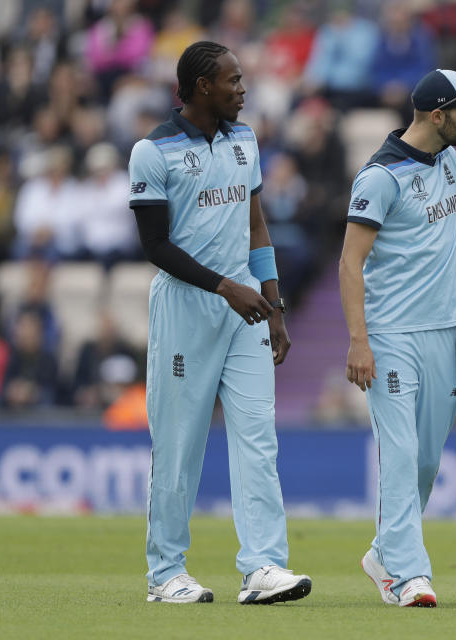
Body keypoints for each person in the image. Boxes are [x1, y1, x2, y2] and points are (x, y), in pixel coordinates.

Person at [128, 41, 311, 605]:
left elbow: (257, 226)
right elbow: (155, 246)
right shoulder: (151, 152)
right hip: (189, 307)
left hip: (247, 309)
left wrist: (274, 304)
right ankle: (165, 573)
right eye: (233, 80)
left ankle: (262, 567)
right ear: (202, 87)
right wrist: (223, 286)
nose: (243, 88)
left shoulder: (245, 140)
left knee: (258, 436)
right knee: (180, 444)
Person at [339, 69, 456, 607]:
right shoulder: (380, 177)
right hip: (390, 335)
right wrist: (359, 341)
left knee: (426, 460)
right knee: (402, 454)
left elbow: (455, 249)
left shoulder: (453, 161)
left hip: (441, 333)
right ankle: (409, 576)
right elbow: (350, 263)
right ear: (436, 115)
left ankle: (384, 550)